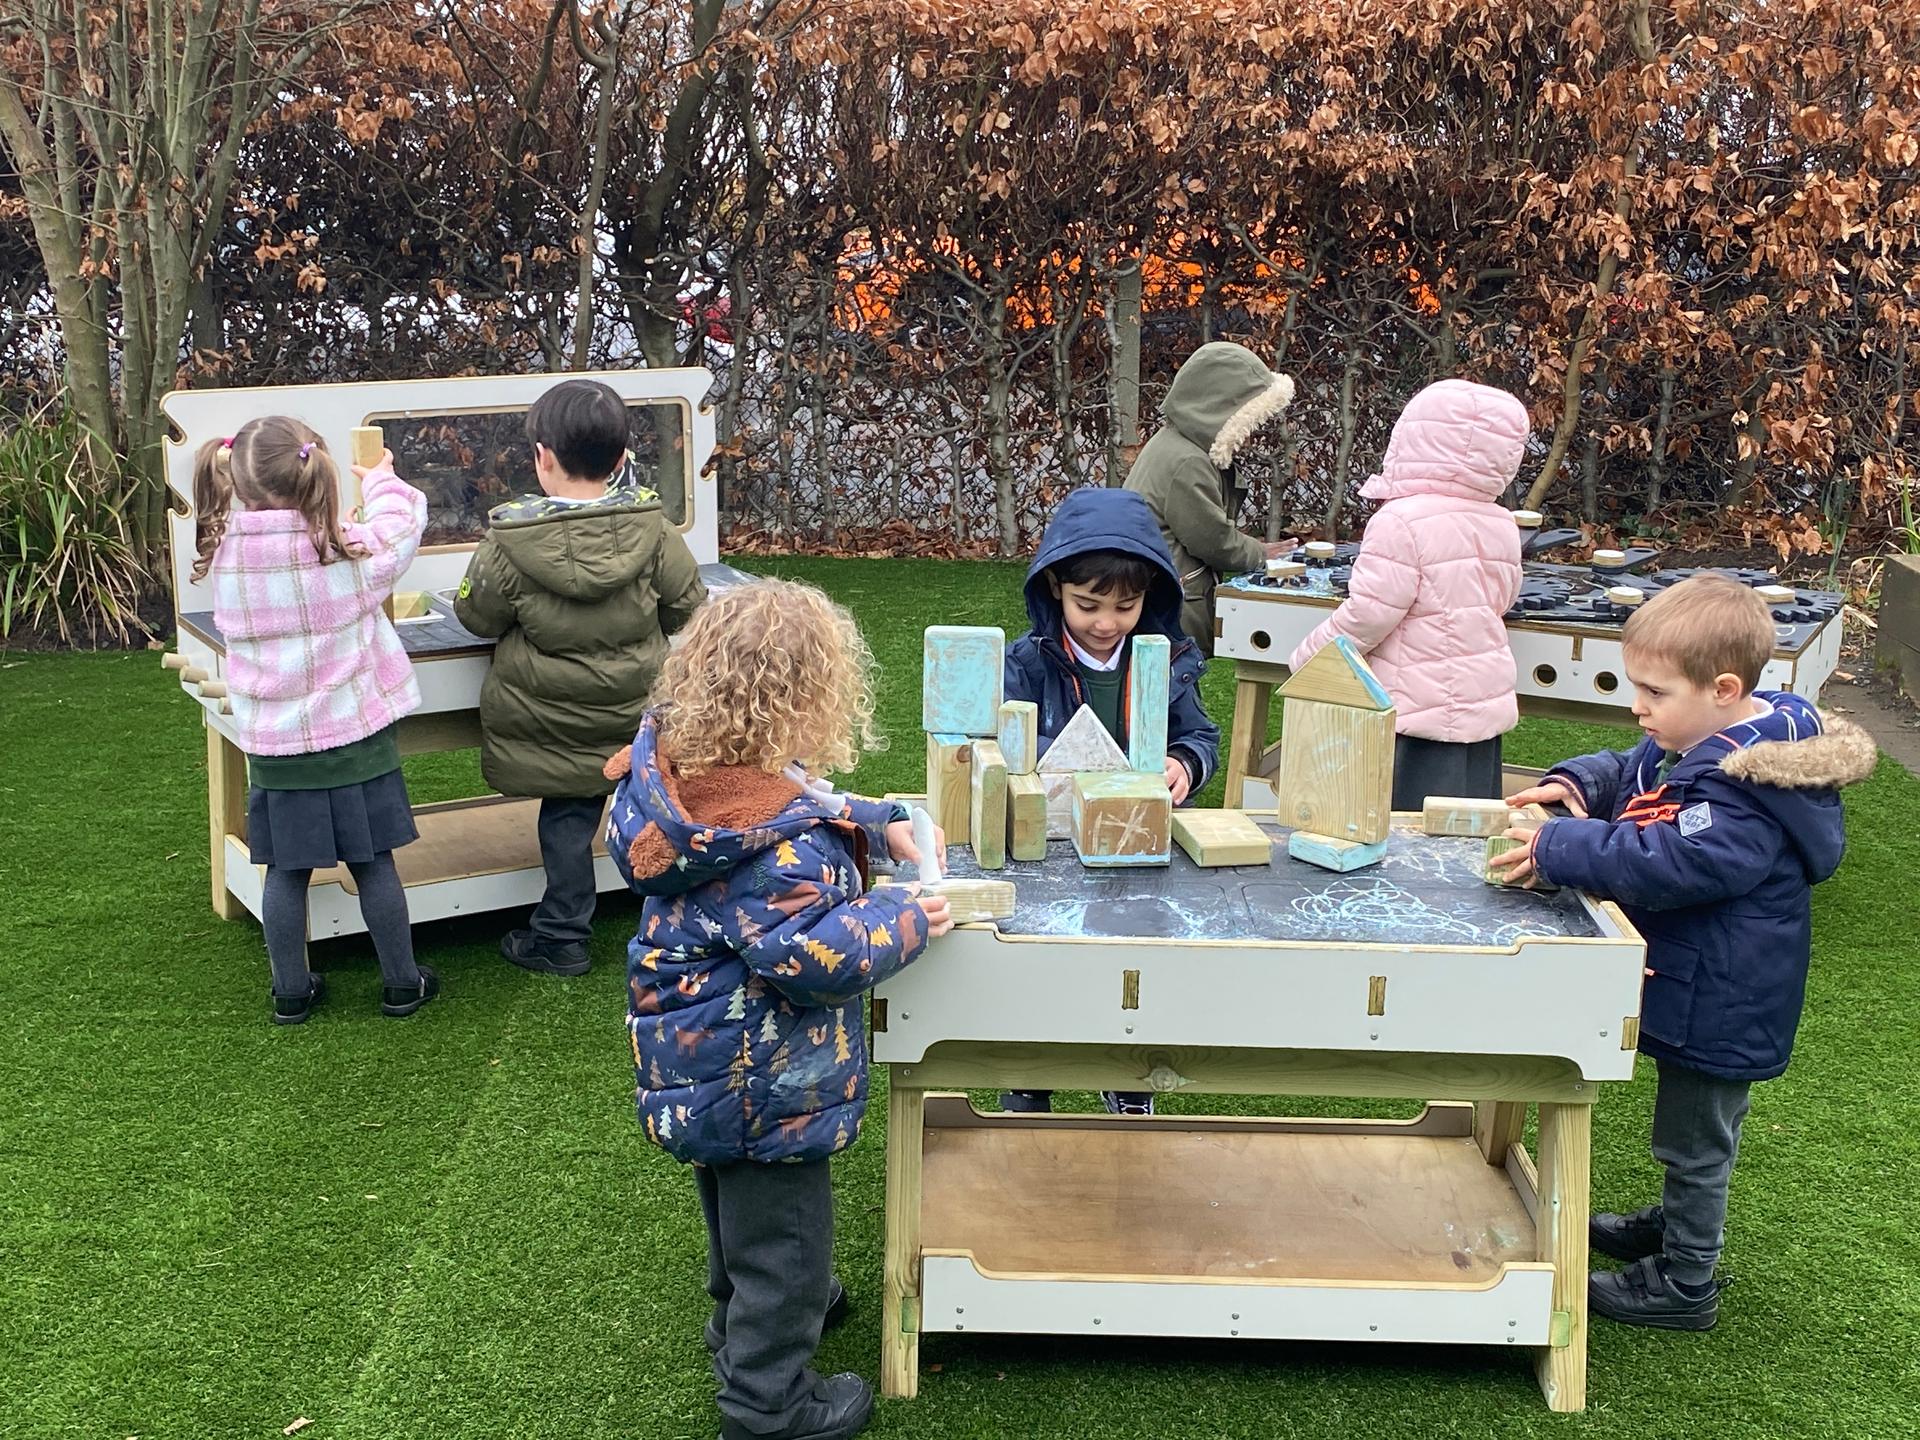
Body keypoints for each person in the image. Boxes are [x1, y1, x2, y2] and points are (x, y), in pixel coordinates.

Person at [602, 579, 953, 1440]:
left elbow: (803, 801)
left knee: (737, 1217)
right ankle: (767, 1407)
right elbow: (812, 960)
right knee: (785, 1248)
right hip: (765, 1081)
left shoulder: (694, 788)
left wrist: (877, 821)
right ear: (804, 702)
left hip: (699, 1063)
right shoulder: (774, 846)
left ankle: (738, 1327)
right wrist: (907, 914)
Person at [1490, 574, 1876, 1329]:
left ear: (1724, 689)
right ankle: (1674, 1226)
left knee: (1695, 1143)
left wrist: (1562, 845)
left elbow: (1671, 858)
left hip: (1725, 1002)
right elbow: (1640, 773)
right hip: (1704, 981)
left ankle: (1684, 1283)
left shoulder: (1748, 789)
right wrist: (1573, 785)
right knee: (1687, 1131)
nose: (1639, 707)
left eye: (1654, 692)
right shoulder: (1711, 739)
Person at [455, 378, 706, 978]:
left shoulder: (508, 540)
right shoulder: (654, 528)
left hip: (554, 721)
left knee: (567, 818)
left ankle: (562, 935)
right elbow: (688, 609)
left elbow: (475, 615)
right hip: (637, 713)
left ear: (541, 456)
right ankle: (679, 921)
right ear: (621, 460)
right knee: (654, 804)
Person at [193, 417, 437, 1023]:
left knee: (286, 872)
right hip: (356, 738)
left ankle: (291, 994)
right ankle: (402, 985)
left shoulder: (222, 553)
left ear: (236, 477)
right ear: (314, 469)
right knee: (374, 863)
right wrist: (381, 481)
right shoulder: (342, 548)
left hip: (276, 750)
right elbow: (402, 528)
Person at [1000, 486, 1219, 1117]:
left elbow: (1198, 735)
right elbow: (1002, 742)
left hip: (1135, 841)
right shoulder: (1029, 661)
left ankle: (1127, 1072)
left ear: (1149, 599)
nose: (1104, 622)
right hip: (1050, 842)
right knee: (1039, 955)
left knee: (1136, 955)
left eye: (1125, 607)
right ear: (1054, 592)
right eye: (1086, 604)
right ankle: (1029, 1075)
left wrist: (1184, 764)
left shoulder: (1168, 658)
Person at [1288, 378, 1527, 808]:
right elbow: (1503, 598)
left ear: (1413, 439)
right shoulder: (1501, 521)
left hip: (1413, 711)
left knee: (1405, 829)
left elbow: (1371, 613)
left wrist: (1310, 657)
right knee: (1467, 830)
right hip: (1480, 708)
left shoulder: (1400, 520)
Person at [1124, 340, 1299, 654]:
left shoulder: (1176, 443)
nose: (1253, 432)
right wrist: (1262, 554)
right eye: (1250, 418)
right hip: (1168, 604)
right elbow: (1213, 541)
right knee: (1170, 691)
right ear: (1224, 412)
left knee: (1163, 692)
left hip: (1155, 591)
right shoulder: (1189, 461)